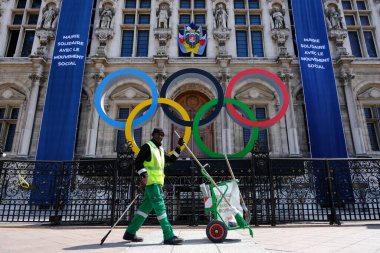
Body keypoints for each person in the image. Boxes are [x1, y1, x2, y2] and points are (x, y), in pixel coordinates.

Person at [123, 127, 185, 245]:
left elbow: (171, 160)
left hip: (156, 183)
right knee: (161, 208)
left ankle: (130, 233)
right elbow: (138, 162)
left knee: (144, 210)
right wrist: (144, 174)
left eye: (162, 135)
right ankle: (168, 235)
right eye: (157, 134)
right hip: (151, 183)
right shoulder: (148, 146)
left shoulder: (160, 149)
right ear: (153, 135)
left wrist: (179, 147)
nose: (160, 137)